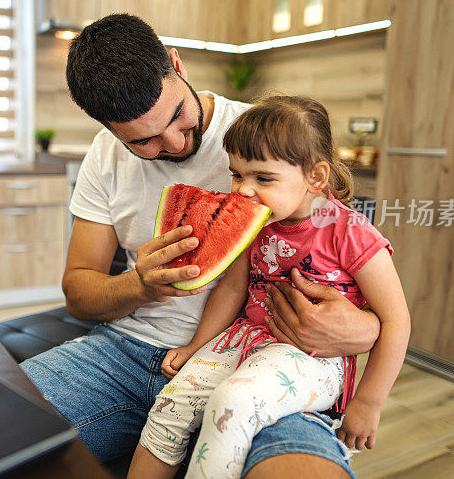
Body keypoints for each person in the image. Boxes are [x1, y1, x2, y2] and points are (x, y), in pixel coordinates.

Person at [20, 14, 381, 478]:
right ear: (111, 131)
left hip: (258, 356)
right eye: (143, 140)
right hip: (122, 353)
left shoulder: (264, 136)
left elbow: (340, 257)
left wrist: (367, 330)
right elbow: (79, 293)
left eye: (175, 116)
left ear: (177, 64)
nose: (172, 142)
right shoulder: (103, 156)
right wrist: (140, 286)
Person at [128, 97, 411, 479]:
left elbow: (396, 321)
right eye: (237, 175)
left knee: (234, 401)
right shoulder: (258, 221)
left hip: (315, 358)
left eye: (263, 178)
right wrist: (197, 346)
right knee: (170, 405)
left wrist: (368, 403)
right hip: (244, 339)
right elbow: (231, 291)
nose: (243, 191)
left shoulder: (351, 232)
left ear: (316, 177)